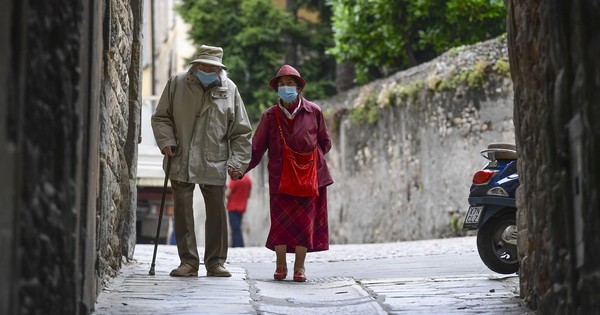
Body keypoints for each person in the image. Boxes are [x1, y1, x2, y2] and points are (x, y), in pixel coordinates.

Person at [151, 45, 252, 277]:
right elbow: (161, 117)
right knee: (183, 212)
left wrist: (238, 162)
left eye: (212, 67)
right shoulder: (177, 83)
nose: (207, 69)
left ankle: (215, 262)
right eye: (204, 65)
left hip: (214, 159)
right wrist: (166, 141)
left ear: (220, 69)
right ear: (195, 65)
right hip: (180, 156)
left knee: (217, 212)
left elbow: (241, 131)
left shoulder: (230, 89)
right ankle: (188, 262)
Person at [245, 65, 333, 282]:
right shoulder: (269, 116)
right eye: (282, 85)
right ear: (277, 89)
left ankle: (300, 268)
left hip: (310, 178)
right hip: (280, 177)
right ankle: (281, 265)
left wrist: (308, 162)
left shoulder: (314, 111)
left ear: (299, 88)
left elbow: (325, 142)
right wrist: (241, 168)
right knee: (280, 223)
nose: (286, 88)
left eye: (290, 84)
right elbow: (257, 148)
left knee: (305, 222)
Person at [225, 174, 252, 247]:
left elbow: (227, 194)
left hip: (233, 207)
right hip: (242, 207)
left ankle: (238, 246)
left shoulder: (234, 179)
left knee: (235, 229)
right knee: (237, 227)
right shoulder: (248, 179)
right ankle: (237, 245)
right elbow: (249, 194)